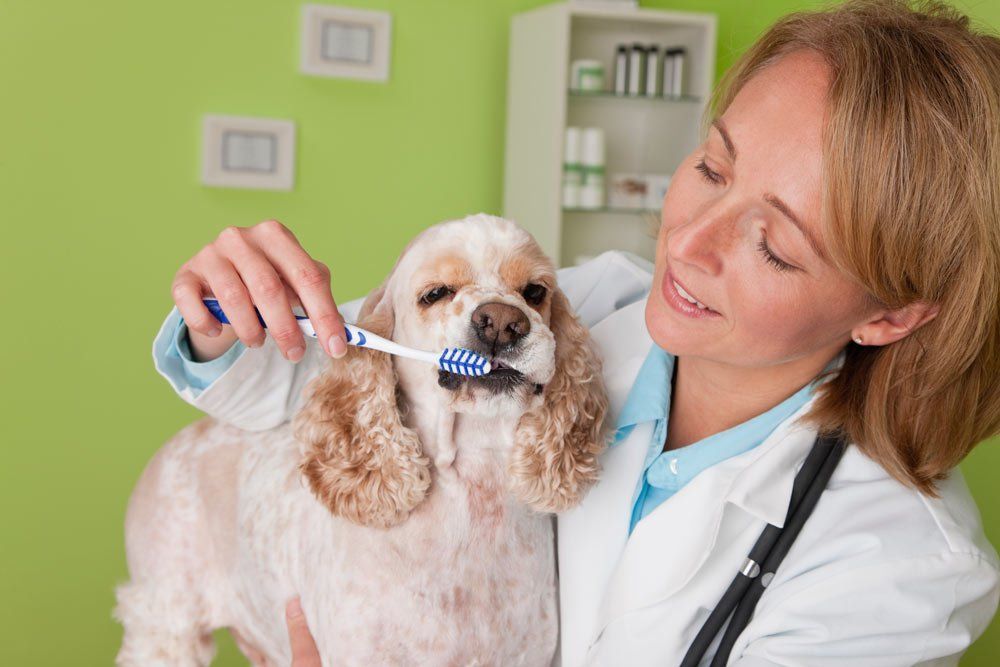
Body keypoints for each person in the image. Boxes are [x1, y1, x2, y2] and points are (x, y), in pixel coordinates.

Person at [155, 0, 1000, 664]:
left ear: (889, 312)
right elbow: (330, 379)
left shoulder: (898, 571)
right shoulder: (583, 306)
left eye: (774, 245)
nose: (690, 242)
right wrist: (229, 318)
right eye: (711, 167)